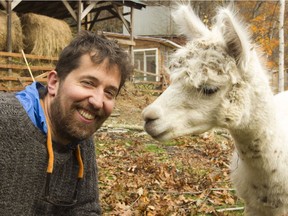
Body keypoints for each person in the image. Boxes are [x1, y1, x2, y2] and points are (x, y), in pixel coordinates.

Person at [0, 30, 133, 215]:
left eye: (109, 92)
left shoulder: (80, 136)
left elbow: (85, 208)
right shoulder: (4, 121)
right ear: (54, 82)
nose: (97, 101)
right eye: (88, 83)